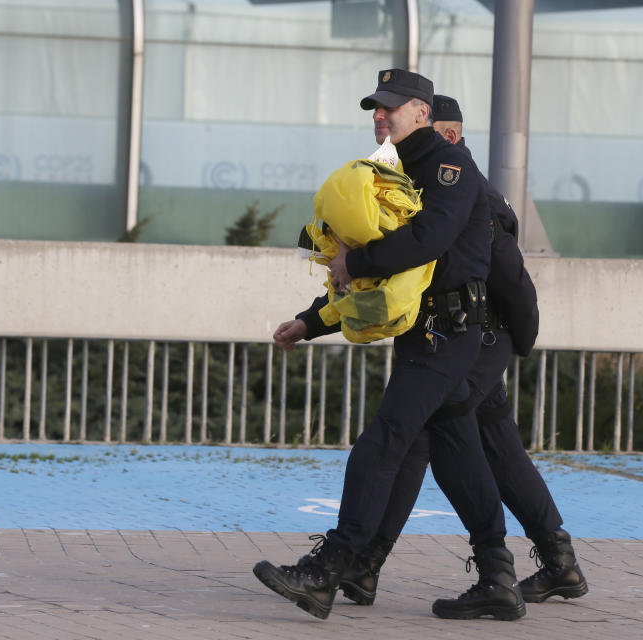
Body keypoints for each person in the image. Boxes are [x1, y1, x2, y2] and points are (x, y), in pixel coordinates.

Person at [253, 69, 525, 622]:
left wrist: (354, 261)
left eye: (393, 107)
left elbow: (426, 241)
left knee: (383, 441)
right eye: (376, 107)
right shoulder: (398, 172)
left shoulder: (449, 169)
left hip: (448, 335)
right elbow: (386, 286)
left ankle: (330, 569)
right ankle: (497, 576)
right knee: (456, 456)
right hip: (427, 332)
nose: (382, 115)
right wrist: (311, 322)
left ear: (422, 114)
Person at [338, 94, 588, 608]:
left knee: (419, 437)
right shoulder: (431, 181)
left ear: (447, 133)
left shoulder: (463, 183)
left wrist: (521, 338)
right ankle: (557, 561)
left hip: (476, 338)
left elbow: (510, 275)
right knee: (495, 446)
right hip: (472, 339)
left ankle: (369, 564)